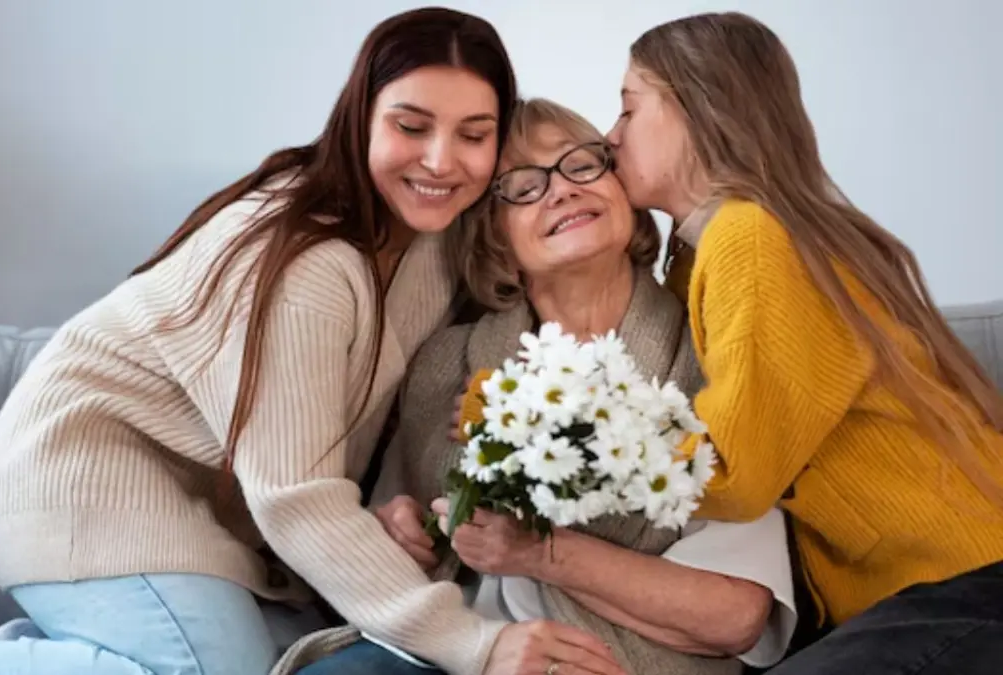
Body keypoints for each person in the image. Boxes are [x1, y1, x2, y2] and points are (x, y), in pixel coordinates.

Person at [0, 8, 620, 675]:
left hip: (203, 513)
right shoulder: (308, 259)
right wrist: (473, 644)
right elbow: (295, 494)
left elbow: (339, 436)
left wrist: (386, 511)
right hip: (79, 485)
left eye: (474, 134)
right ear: (360, 117)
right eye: (412, 125)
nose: (442, 160)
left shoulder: (428, 245)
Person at [283, 99, 797, 675]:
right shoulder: (447, 363)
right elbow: (389, 554)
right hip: (458, 653)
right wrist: (396, 533)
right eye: (523, 185)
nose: (561, 190)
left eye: (582, 165)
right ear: (494, 238)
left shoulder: (709, 360)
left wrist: (537, 552)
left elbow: (736, 616)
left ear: (623, 188)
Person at [600, 10, 1003, 675]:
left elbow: (730, 466)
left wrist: (567, 450)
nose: (609, 136)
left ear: (696, 109)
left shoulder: (748, 238)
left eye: (627, 109)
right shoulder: (714, 249)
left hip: (966, 578)